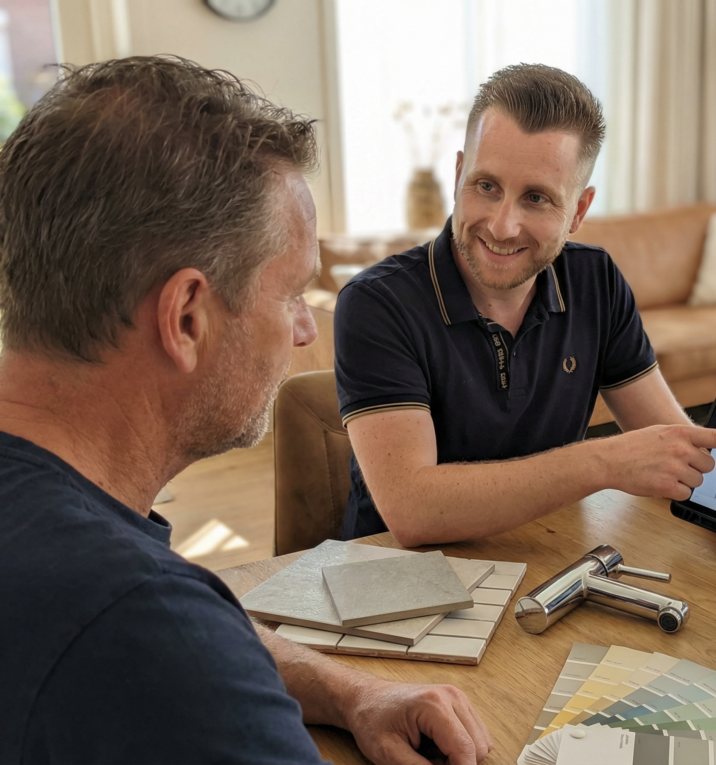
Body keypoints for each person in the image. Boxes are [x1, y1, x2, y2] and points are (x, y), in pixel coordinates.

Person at [0, 56, 491, 765]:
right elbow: (158, 633)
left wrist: (349, 688)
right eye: (292, 294)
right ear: (188, 317)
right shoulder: (144, 630)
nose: (305, 331)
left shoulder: (79, 558)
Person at [334, 63, 716, 572]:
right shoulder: (376, 303)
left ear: (578, 210)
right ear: (459, 173)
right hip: (397, 585)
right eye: (486, 186)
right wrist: (602, 462)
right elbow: (412, 511)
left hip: (550, 562)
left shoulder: (596, 281)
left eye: (536, 198)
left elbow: (672, 444)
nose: (503, 225)